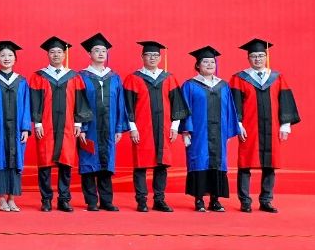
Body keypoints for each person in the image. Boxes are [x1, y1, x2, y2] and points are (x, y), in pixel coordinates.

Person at [230, 39, 300, 214]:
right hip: (249, 127)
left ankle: (266, 200)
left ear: (266, 57)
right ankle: (245, 201)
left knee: (270, 163)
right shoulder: (239, 78)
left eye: (261, 55)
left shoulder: (277, 77)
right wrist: (238, 124)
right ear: (248, 58)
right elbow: (234, 103)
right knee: (245, 163)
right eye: (254, 56)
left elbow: (284, 100)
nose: (258, 59)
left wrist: (285, 125)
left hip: (272, 126)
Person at [123, 41, 188, 213]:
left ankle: (159, 200)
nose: (152, 58)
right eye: (149, 55)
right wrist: (132, 128)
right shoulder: (133, 78)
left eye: (155, 55)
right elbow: (127, 106)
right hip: (142, 129)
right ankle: (141, 201)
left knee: (162, 164)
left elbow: (177, 104)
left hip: (164, 127)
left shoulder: (168, 78)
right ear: (142, 57)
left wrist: (174, 127)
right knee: (140, 165)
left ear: (160, 58)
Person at [29, 37, 91, 213]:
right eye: (52, 52)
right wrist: (37, 123)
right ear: (47, 54)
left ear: (64, 55)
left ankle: (64, 199)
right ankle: (46, 200)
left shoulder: (74, 77)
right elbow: (35, 101)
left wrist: (78, 123)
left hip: (68, 126)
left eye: (59, 52)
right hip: (46, 126)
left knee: (66, 162)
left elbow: (79, 100)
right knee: (44, 162)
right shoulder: (38, 76)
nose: (56, 55)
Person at [179, 47, 239, 212]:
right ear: (198, 65)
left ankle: (215, 200)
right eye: (205, 62)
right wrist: (186, 131)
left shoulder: (223, 85)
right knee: (199, 161)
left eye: (212, 62)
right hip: (199, 133)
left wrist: (228, 131)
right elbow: (185, 109)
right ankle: (199, 200)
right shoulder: (189, 85)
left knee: (217, 163)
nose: (210, 64)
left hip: (219, 133)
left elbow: (229, 109)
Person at [77, 33, 129, 212]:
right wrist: (81, 127)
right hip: (89, 127)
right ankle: (91, 201)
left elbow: (120, 103)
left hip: (109, 126)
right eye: (96, 50)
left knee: (106, 164)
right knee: (88, 162)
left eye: (103, 51)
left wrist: (119, 128)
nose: (100, 53)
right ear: (89, 54)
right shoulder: (81, 76)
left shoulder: (114, 77)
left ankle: (106, 201)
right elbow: (78, 102)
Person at [0, 41, 32, 212]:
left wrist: (25, 128)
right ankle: (1, 199)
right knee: (0, 159)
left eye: (10, 55)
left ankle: (12, 199)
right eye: (3, 55)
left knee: (16, 161)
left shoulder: (22, 82)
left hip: (16, 129)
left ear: (15, 59)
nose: (6, 58)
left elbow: (26, 106)